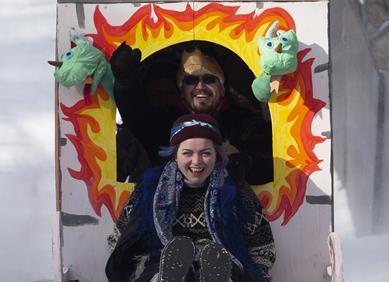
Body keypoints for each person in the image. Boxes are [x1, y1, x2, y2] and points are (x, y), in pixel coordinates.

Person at [106, 114, 276, 282]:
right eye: (187, 153)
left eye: (206, 153)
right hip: (167, 258)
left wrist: (256, 277)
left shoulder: (235, 191)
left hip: (220, 261)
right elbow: (121, 237)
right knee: (160, 263)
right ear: (175, 155)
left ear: (217, 155)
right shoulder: (150, 189)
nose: (197, 162)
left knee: (224, 265)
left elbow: (262, 244)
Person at [112, 42, 274, 185]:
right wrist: (124, 84)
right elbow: (134, 114)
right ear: (182, 91)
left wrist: (245, 163)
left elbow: (274, 164)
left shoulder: (243, 122)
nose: (200, 86)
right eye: (191, 81)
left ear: (222, 88)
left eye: (209, 79)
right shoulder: (165, 122)